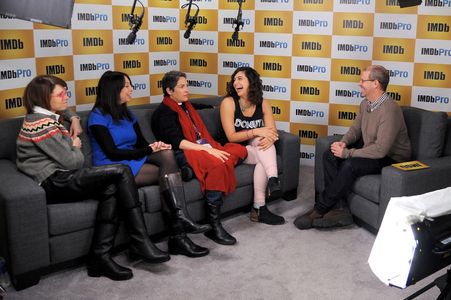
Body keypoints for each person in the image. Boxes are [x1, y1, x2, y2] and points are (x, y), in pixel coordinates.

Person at [16, 75, 170, 282]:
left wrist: (75, 118)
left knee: (112, 187)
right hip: (54, 180)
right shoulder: (43, 125)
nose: (66, 97)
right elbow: (73, 162)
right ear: (44, 98)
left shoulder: (44, 115)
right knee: (121, 171)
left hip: (60, 176)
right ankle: (140, 241)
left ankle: (100, 258)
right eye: (60, 94)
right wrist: (75, 145)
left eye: (65, 92)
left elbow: (66, 112)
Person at [88, 70, 210, 258]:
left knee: (167, 154)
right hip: (112, 166)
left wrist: (155, 146)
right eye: (127, 86)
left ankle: (179, 224)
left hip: (132, 159)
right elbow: (112, 152)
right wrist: (148, 150)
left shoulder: (127, 114)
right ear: (113, 90)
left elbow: (141, 144)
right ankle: (178, 231)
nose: (131, 89)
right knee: (170, 173)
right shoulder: (97, 117)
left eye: (130, 85)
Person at [294, 65, 412, 230]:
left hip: (391, 159)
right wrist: (344, 142)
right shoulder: (366, 103)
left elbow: (381, 150)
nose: (359, 83)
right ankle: (339, 209)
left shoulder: (390, 109)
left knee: (350, 164)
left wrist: (348, 153)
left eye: (363, 80)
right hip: (373, 149)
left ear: (376, 84)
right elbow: (355, 129)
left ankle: (320, 207)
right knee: (330, 154)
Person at [151, 71, 248, 245]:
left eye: (187, 85)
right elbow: (176, 142)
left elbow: (197, 106)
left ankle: (192, 171)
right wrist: (208, 151)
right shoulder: (164, 112)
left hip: (202, 146)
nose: (187, 89)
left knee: (239, 150)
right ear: (169, 90)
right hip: (182, 152)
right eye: (182, 86)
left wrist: (210, 109)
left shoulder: (185, 105)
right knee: (218, 164)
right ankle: (214, 225)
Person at [220, 67, 285, 225]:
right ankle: (271, 182)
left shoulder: (262, 103)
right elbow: (231, 136)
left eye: (240, 78)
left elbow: (272, 131)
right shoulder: (228, 103)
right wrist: (256, 131)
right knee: (262, 145)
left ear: (251, 82)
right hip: (235, 149)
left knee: (262, 143)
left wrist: (269, 137)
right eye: (234, 79)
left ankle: (259, 207)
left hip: (255, 149)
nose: (236, 82)